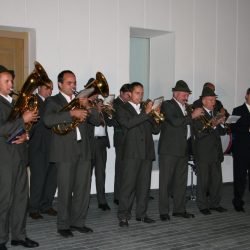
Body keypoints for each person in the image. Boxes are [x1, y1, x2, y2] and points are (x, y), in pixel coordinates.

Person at [43, 70, 100, 238]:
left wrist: (88, 105)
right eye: (69, 82)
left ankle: (78, 222)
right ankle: (63, 225)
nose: (73, 86)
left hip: (83, 150)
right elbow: (47, 121)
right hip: (65, 151)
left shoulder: (81, 100)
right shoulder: (53, 101)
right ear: (60, 84)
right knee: (66, 190)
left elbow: (97, 121)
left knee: (83, 190)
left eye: (74, 82)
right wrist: (70, 113)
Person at [0, 65, 39, 249]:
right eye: (6, 81)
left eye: (11, 81)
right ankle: (1, 240)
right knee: (4, 200)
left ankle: (19, 236)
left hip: (20, 157)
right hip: (4, 160)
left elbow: (19, 129)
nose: (11, 84)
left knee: (22, 198)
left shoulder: (13, 102)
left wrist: (26, 135)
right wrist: (22, 119)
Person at [158, 80, 203, 221]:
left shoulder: (186, 107)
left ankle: (179, 209)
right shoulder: (167, 105)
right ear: (175, 93)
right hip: (169, 150)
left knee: (180, 182)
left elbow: (189, 125)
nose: (186, 97)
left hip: (183, 149)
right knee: (165, 182)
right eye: (184, 94)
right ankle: (163, 211)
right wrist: (192, 116)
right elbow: (175, 122)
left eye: (187, 95)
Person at [116, 82, 160, 227]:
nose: (140, 96)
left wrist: (156, 116)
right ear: (129, 94)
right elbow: (128, 123)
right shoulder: (122, 108)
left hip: (146, 152)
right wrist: (146, 113)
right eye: (137, 93)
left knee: (144, 186)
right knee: (128, 186)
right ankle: (123, 216)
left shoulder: (144, 109)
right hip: (131, 153)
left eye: (142, 93)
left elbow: (155, 130)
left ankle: (141, 214)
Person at [193, 87, 228, 215]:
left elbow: (223, 132)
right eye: (211, 100)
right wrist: (214, 123)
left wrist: (222, 122)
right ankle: (202, 206)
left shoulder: (215, 113)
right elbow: (199, 133)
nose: (214, 102)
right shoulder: (198, 113)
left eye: (214, 100)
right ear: (204, 101)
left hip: (215, 152)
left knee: (216, 180)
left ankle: (215, 203)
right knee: (203, 180)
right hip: (203, 152)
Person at [28, 81, 58, 219]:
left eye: (51, 88)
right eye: (47, 88)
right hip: (38, 145)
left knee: (52, 178)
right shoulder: (32, 101)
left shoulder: (53, 102)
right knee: (38, 178)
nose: (50, 91)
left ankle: (46, 205)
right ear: (39, 88)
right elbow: (30, 124)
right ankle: (34, 208)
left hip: (52, 144)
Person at [88, 95, 112, 211]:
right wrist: (96, 110)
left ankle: (102, 201)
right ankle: (84, 201)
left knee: (101, 173)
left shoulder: (101, 107)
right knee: (87, 175)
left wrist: (108, 110)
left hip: (102, 143)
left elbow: (111, 122)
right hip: (91, 143)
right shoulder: (87, 107)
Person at [231, 88, 250, 212]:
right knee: (240, 177)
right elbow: (232, 128)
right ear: (246, 95)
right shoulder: (237, 110)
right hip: (241, 149)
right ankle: (238, 201)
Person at [113, 83, 131, 205]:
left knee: (130, 168)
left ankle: (129, 193)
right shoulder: (115, 103)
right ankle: (118, 196)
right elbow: (114, 122)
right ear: (121, 93)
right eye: (127, 95)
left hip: (130, 138)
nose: (129, 97)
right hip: (120, 138)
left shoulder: (128, 103)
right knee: (120, 167)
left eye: (130, 95)